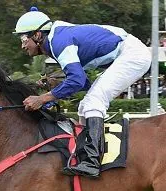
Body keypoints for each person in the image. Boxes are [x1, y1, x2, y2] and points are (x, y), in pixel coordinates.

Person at [14, 7, 151, 178]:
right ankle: (84, 156)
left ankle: (92, 162)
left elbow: (77, 80)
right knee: (85, 105)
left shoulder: (58, 42)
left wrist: (42, 98)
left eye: (24, 38)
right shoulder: (56, 40)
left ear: (38, 35)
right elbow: (83, 83)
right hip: (128, 52)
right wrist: (56, 86)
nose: (22, 45)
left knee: (94, 102)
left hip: (132, 54)